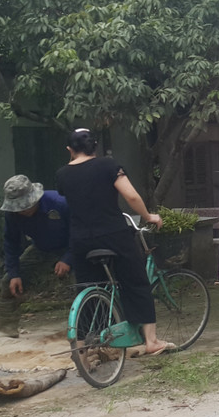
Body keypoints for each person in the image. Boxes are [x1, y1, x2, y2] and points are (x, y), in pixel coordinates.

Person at [55, 128, 172, 355]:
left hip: (80, 239)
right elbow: (131, 196)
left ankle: (85, 349)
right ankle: (151, 341)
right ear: (95, 146)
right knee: (136, 282)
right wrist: (148, 216)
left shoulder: (62, 174)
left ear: (70, 150)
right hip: (113, 234)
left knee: (89, 288)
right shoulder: (108, 165)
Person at [0, 175, 74, 337]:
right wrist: (14, 274)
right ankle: (6, 330)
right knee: (8, 282)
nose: (23, 211)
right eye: (19, 208)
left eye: (26, 206)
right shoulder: (12, 214)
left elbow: (81, 233)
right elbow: (11, 242)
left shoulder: (60, 203)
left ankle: (89, 325)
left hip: (73, 246)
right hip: (41, 248)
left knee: (84, 282)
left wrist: (68, 259)